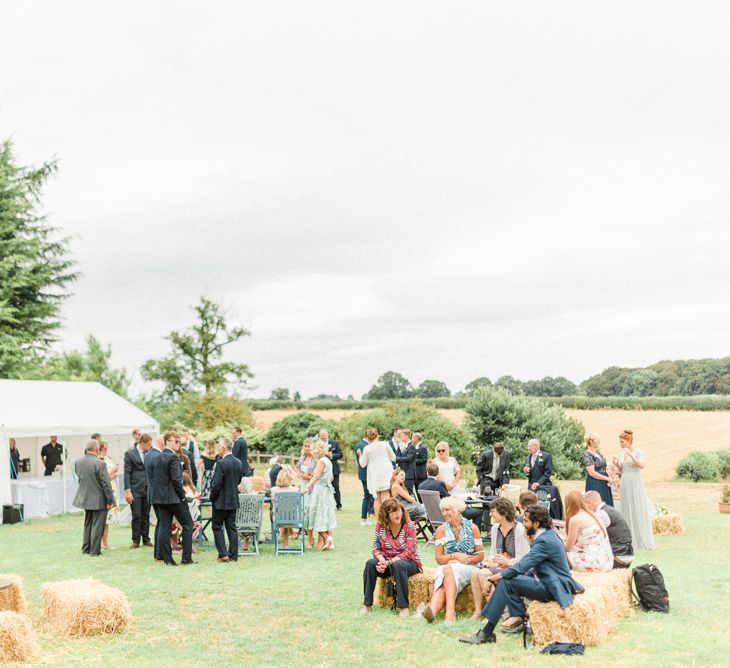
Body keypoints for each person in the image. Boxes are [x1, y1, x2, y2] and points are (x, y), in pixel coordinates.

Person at [459, 505, 585, 645]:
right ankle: (516, 618)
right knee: (507, 580)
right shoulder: (546, 535)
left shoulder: (544, 540)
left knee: (506, 581)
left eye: (526, 521)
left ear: (536, 523)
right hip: (547, 580)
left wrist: (496, 577)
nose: (523, 524)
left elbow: (523, 564)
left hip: (552, 586)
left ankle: (489, 631)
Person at [422, 496, 483, 624]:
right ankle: (435, 612)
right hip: (449, 566)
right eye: (442, 510)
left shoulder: (473, 528)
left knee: (447, 570)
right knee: (446, 571)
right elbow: (439, 558)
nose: (444, 513)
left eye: (447, 510)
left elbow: (480, 556)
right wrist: (455, 556)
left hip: (470, 566)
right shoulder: (441, 530)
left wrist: (463, 559)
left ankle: (446, 612)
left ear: (458, 510)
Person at [361, 498, 423, 618]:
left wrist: (389, 562)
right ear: (386, 515)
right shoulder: (381, 526)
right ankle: (367, 605)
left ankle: (403, 607)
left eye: (399, 511)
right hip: (388, 563)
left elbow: (409, 552)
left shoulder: (409, 525)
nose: (398, 514)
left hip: (409, 563)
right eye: (393, 512)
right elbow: (375, 547)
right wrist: (381, 560)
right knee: (370, 563)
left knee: (398, 565)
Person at [470, 497, 530, 618]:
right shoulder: (495, 529)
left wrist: (507, 562)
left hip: (515, 568)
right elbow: (493, 552)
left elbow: (523, 558)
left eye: (493, 511)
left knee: (483, 574)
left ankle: (492, 614)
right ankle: (478, 611)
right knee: (475, 572)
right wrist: (491, 560)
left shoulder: (519, 530)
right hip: (500, 566)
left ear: (503, 513)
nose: (491, 514)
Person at [149, 431, 194, 565]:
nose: (178, 444)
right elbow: (176, 480)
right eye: (176, 441)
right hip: (174, 498)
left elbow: (154, 479)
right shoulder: (173, 458)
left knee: (164, 527)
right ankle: (186, 558)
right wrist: (183, 496)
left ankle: (168, 560)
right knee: (187, 525)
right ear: (167, 441)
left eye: (179, 442)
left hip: (160, 499)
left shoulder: (156, 457)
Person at [73, 439, 116, 557]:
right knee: (98, 524)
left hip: (85, 497)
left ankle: (86, 548)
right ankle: (94, 550)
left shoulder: (78, 462)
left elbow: (80, 478)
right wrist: (111, 500)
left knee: (88, 523)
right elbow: (106, 484)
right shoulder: (100, 464)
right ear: (97, 450)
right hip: (99, 498)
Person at [614, 429, 655, 550]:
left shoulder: (638, 452)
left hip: (635, 481)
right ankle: (628, 538)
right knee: (626, 506)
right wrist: (617, 464)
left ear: (628, 441)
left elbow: (642, 465)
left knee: (637, 506)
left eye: (622, 442)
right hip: (625, 481)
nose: (620, 444)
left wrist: (632, 455)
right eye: (620, 442)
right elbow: (622, 470)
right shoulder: (622, 454)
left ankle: (640, 538)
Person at [210, 437, 243, 563]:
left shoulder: (221, 463)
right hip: (233, 499)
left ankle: (223, 554)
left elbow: (216, 483)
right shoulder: (238, 463)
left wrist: (212, 497)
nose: (218, 449)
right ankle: (233, 555)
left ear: (223, 448)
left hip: (220, 501)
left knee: (217, 526)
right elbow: (238, 481)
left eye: (219, 446)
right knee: (232, 528)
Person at [563, 490, 613, 572]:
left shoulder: (575, 519)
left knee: (557, 555)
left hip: (594, 563)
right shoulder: (593, 515)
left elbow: (568, 548)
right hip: (607, 562)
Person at [584, 491, 635, 568]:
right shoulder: (609, 510)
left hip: (617, 556)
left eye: (586, 506)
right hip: (625, 553)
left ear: (590, 503)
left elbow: (592, 536)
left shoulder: (602, 513)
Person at [304, 439, 337, 550]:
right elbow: (331, 477)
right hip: (327, 491)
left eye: (313, 450)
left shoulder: (321, 461)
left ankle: (328, 539)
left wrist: (307, 487)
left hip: (320, 491)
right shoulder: (328, 460)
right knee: (324, 515)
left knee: (316, 515)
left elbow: (316, 476)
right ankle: (328, 541)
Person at [124, 432, 153, 548]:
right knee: (136, 515)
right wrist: (127, 490)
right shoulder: (130, 454)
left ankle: (146, 539)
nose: (150, 447)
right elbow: (127, 473)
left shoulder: (150, 453)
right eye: (149, 444)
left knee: (146, 515)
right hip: (135, 489)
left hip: (148, 488)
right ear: (142, 443)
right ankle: (136, 540)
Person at [359, 428, 396, 517]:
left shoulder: (367, 448)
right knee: (385, 495)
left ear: (367, 437)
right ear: (377, 435)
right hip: (385, 473)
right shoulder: (385, 444)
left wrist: (360, 455)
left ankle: (379, 521)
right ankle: (387, 518)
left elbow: (363, 464)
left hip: (374, 475)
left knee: (377, 498)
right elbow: (393, 458)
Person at [144, 437, 164, 562]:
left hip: (152, 493)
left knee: (160, 523)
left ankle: (158, 553)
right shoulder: (159, 456)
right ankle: (159, 554)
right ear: (161, 443)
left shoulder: (147, 455)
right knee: (162, 524)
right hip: (160, 495)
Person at [98, 441, 119, 550]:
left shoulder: (107, 459)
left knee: (107, 520)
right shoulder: (98, 460)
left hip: (112, 489)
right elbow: (102, 475)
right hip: (104, 492)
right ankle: (99, 543)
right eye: (104, 448)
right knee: (102, 519)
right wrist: (111, 473)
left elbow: (115, 471)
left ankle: (105, 542)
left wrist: (111, 473)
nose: (106, 450)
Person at [582, 433, 614, 507]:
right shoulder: (587, 455)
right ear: (591, 442)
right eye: (597, 440)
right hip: (595, 482)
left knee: (606, 502)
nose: (599, 442)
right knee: (598, 502)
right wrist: (607, 478)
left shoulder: (598, 454)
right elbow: (592, 472)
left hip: (604, 482)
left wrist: (609, 477)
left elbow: (604, 467)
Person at [271, 468, 299, 548]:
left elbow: (274, 504)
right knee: (286, 514)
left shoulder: (274, 490)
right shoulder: (296, 490)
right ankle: (286, 545)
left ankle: (285, 545)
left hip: (279, 518)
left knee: (281, 514)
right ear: (290, 478)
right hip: (294, 519)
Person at [320, 429, 343, 511]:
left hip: (334, 469)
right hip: (321, 470)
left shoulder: (334, 443)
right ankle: (324, 505)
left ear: (327, 435)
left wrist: (331, 455)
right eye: (321, 437)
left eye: (324, 437)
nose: (323, 439)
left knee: (336, 487)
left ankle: (338, 505)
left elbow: (340, 454)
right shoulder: (317, 444)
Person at [355, 432, 374, 526]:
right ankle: (363, 518)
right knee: (367, 496)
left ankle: (366, 518)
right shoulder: (361, 445)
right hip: (365, 474)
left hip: (369, 474)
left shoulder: (367, 444)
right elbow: (363, 462)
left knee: (369, 496)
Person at [394, 429, 416, 494]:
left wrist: (396, 459)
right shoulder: (404, 445)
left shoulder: (411, 446)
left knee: (409, 492)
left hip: (409, 473)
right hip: (404, 472)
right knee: (405, 492)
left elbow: (409, 458)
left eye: (402, 436)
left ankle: (415, 504)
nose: (400, 437)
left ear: (406, 436)